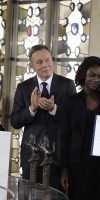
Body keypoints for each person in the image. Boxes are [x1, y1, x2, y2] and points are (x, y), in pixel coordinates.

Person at [11, 45, 76, 190]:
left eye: (47, 60)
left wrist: (53, 108)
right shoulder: (24, 87)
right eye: (39, 62)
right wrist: (32, 108)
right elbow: (15, 121)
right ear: (31, 65)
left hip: (58, 154)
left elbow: (74, 119)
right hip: (31, 155)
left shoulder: (67, 85)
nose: (45, 65)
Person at [58, 56, 100, 200]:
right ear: (84, 74)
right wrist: (64, 169)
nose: (96, 79)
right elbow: (63, 136)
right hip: (76, 165)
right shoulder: (71, 101)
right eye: (92, 75)